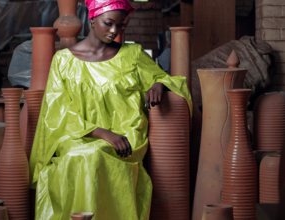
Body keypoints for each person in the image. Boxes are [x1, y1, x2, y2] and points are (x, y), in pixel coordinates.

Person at [29, 0, 192, 219]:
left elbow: (167, 78)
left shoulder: (132, 55)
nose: (114, 31)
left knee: (94, 155)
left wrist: (158, 84)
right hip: (78, 134)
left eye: (121, 25)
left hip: (125, 136)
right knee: (80, 154)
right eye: (109, 23)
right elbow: (58, 112)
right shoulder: (63, 61)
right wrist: (103, 133)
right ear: (92, 19)